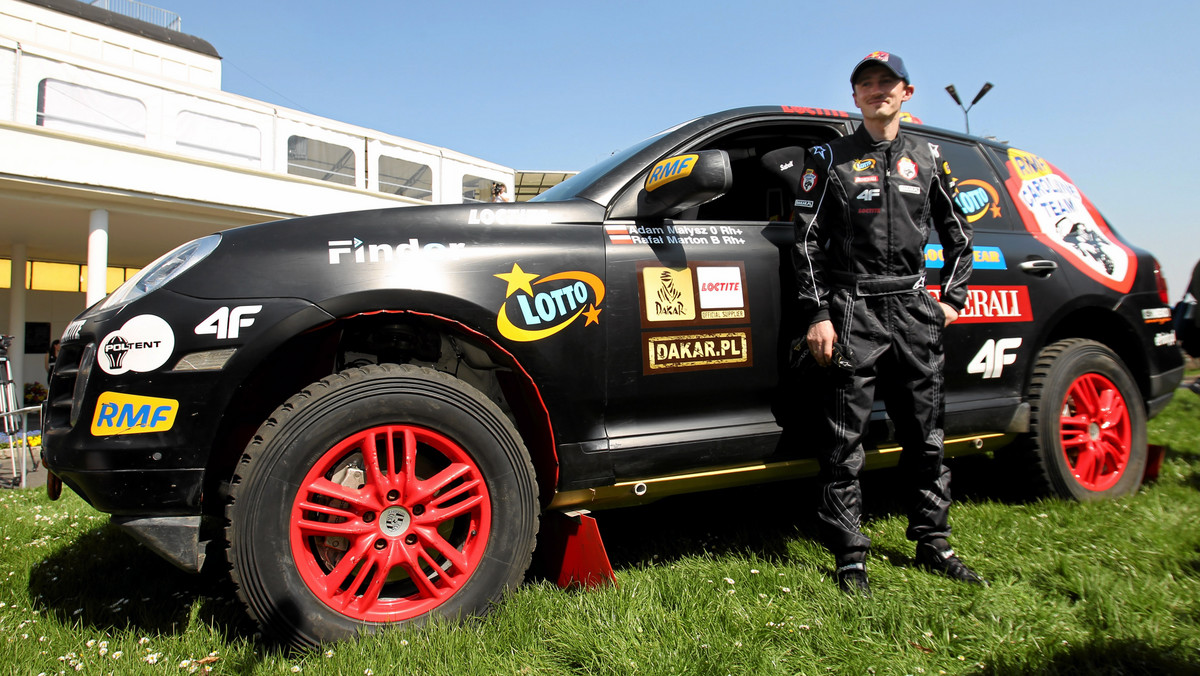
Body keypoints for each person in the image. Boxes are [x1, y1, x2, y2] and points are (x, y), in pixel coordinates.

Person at [766, 51, 983, 595]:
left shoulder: (930, 157)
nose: (876, 90)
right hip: (853, 310)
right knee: (843, 443)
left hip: (913, 309)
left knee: (926, 437)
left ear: (906, 92)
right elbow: (807, 241)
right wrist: (819, 313)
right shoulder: (830, 158)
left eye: (887, 82)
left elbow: (960, 235)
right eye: (866, 83)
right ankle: (849, 555)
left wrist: (950, 300)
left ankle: (935, 542)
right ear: (854, 95)